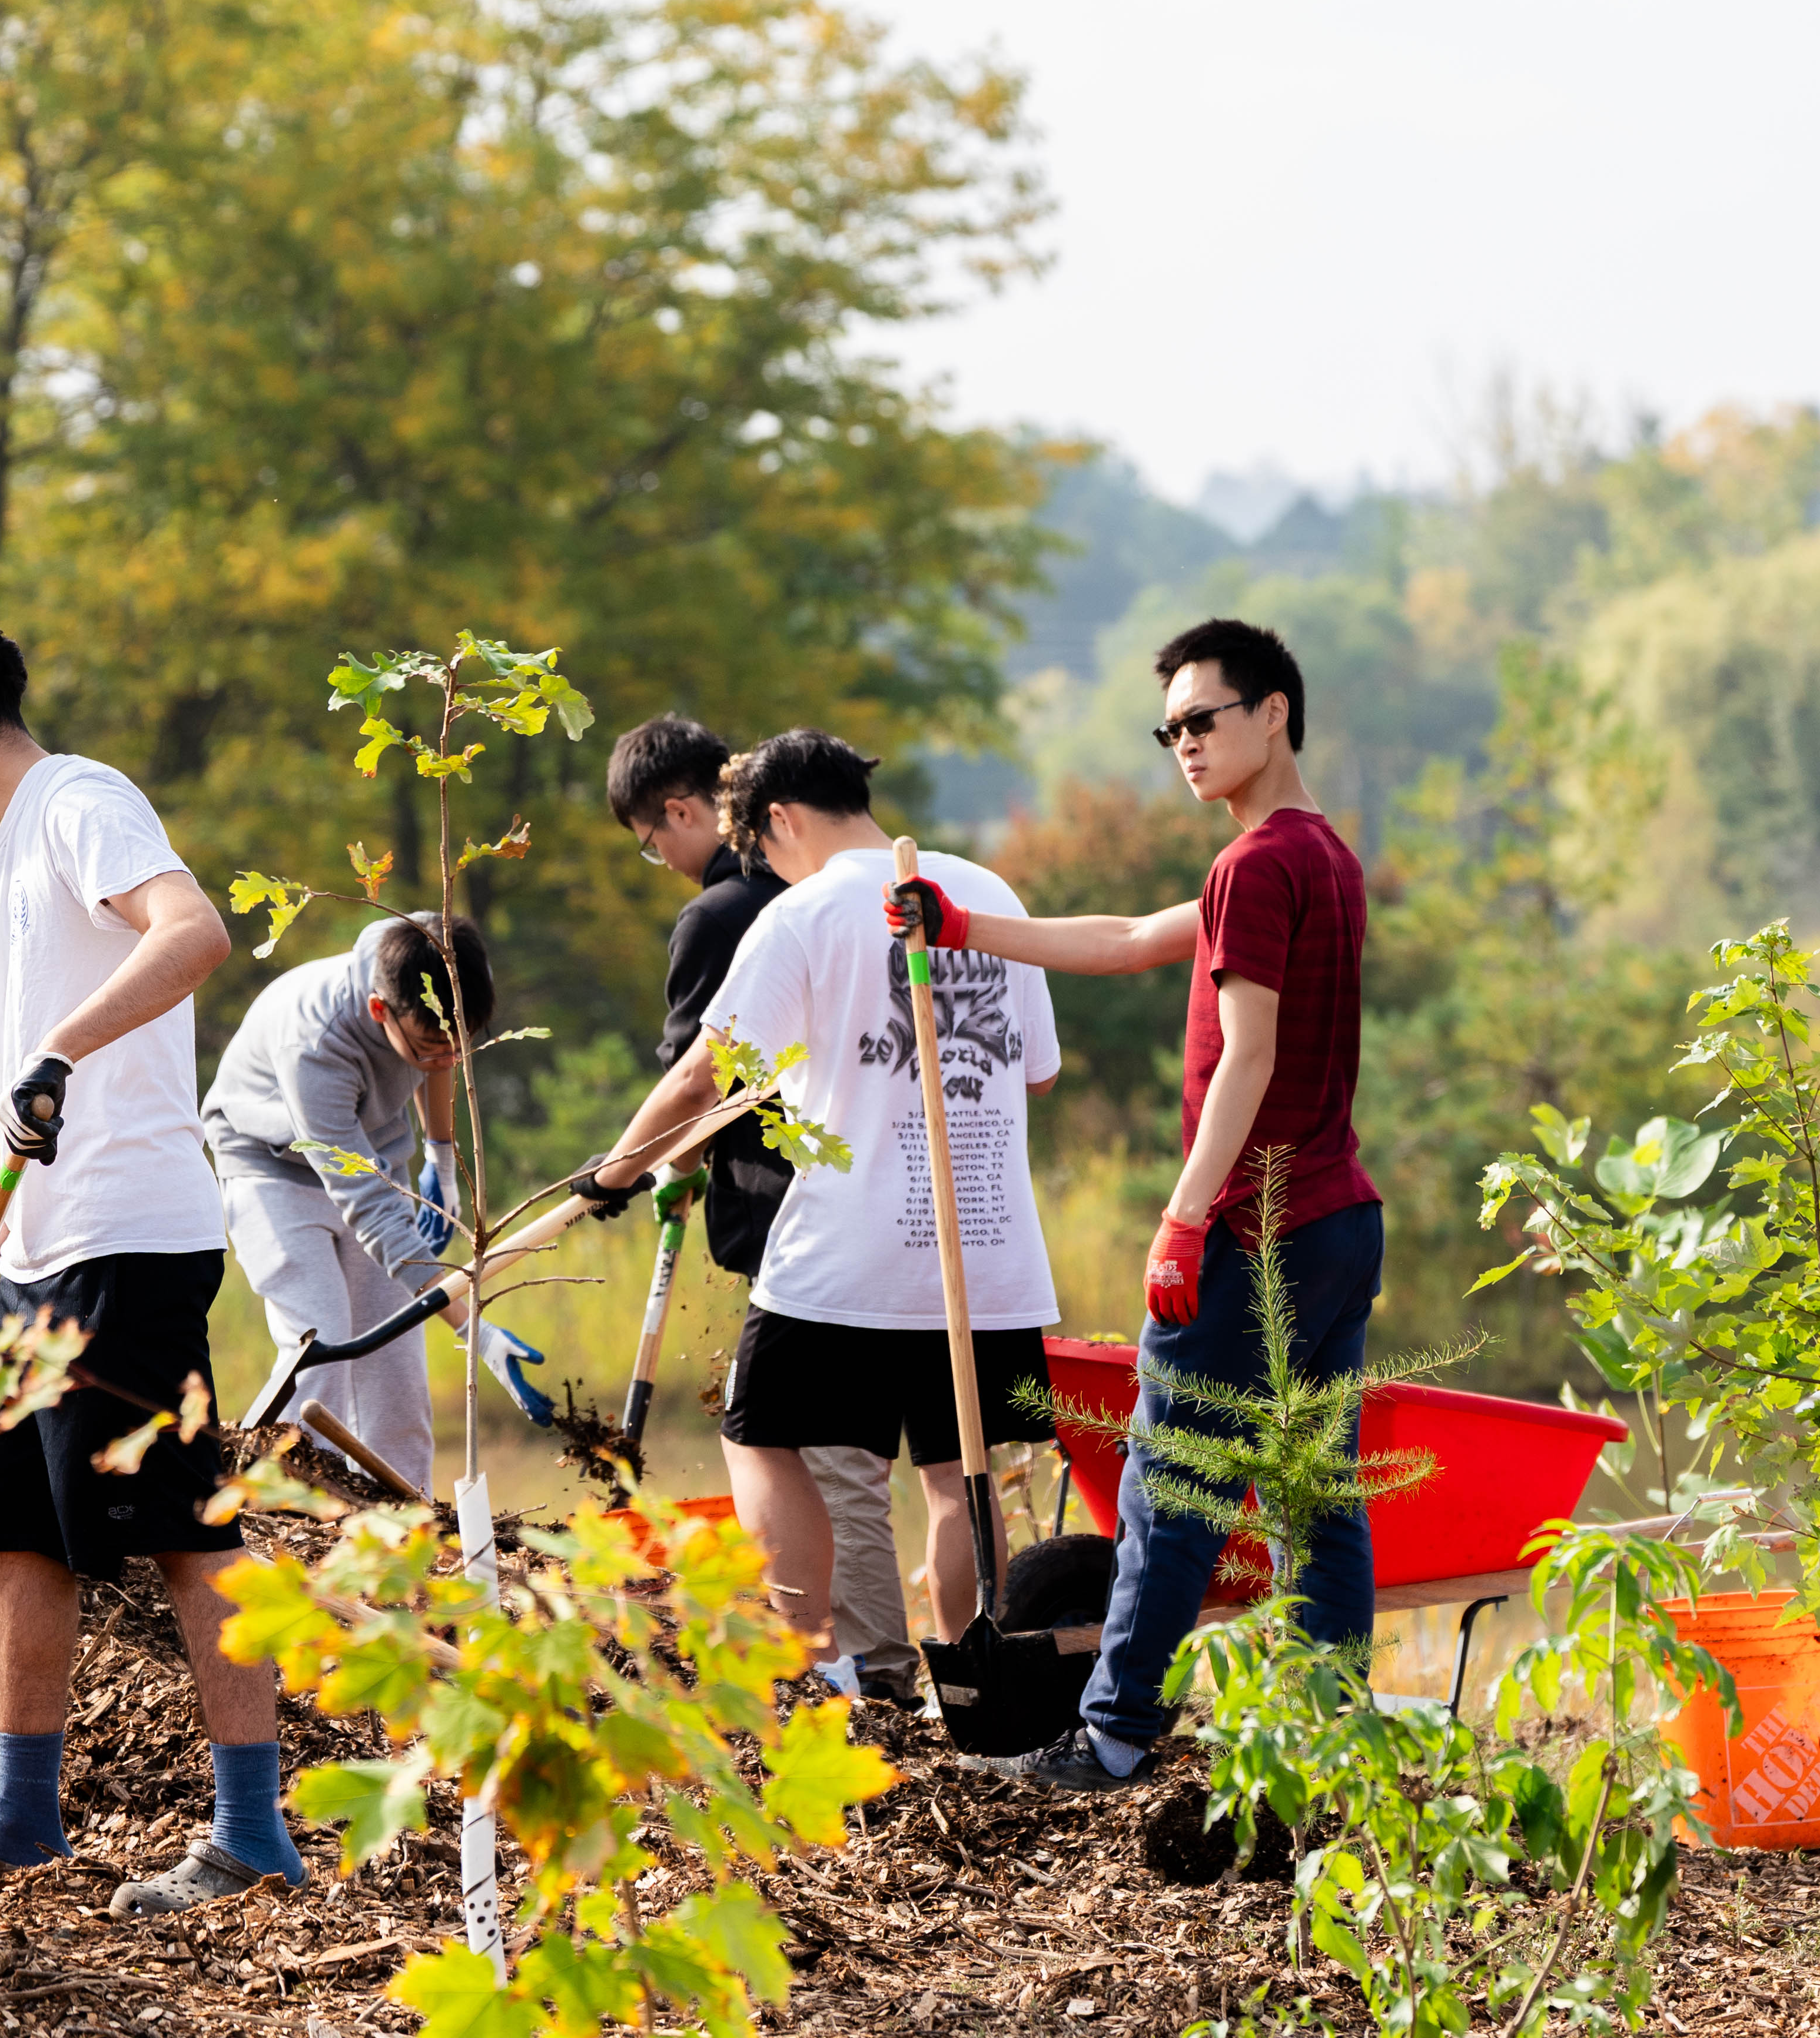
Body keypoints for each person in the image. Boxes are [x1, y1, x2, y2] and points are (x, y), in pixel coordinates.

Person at [0, 596, 298, 1916]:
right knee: (15, 1534)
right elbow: (18, 1101)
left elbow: (193, 931)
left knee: (182, 1528)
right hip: (42, 1244)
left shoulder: (77, 799)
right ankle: (18, 1816)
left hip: (133, 1237)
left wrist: (63, 1048)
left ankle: (252, 1834)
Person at [895, 618, 1380, 1792]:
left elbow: (1249, 1057)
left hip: (1251, 1229)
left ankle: (1111, 1732)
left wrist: (1182, 1213)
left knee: (1172, 1487)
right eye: (1169, 729)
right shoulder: (1316, 855)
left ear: (1273, 712)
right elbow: (1120, 940)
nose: (1185, 744)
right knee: (1319, 1493)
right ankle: (1331, 1735)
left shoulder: (1256, 864)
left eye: (1204, 719)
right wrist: (964, 929)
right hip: (1334, 1218)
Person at [567, 730, 1063, 1684]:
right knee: (958, 1478)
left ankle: (817, 1665)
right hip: (987, 1248)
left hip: (850, 1252)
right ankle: (971, 1689)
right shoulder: (987, 894)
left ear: (779, 819)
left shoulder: (801, 915)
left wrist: (615, 1170)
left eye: (760, 846)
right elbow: (1035, 1074)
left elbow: (706, 1073)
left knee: (757, 1434)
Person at [606, 714, 918, 1707]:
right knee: (859, 1450)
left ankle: (858, 1661)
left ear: (686, 810)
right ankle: (867, 1654)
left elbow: (704, 1078)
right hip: (886, 1196)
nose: (655, 860)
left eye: (650, 838)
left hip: (796, 1212)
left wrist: (634, 1167)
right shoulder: (841, 892)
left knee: (817, 1448)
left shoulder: (728, 914)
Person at [204, 910, 554, 1499]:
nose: (445, 1059)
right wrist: (477, 1332)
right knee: (322, 1342)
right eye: (427, 1047)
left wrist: (441, 1159)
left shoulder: (432, 955)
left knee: (395, 1362)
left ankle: (407, 1518)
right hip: (271, 1166)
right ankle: (297, 1506)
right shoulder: (316, 1045)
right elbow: (370, 1206)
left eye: (457, 1046)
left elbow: (441, 1055)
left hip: (372, 1154)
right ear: (378, 1013)